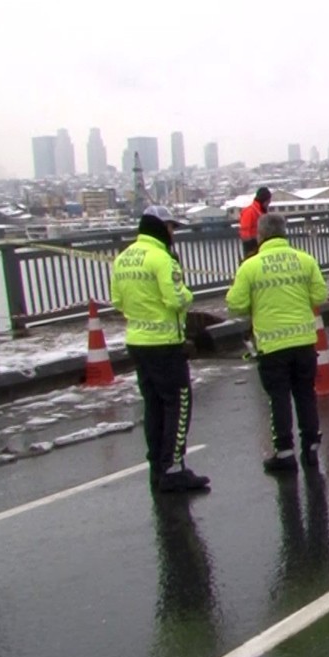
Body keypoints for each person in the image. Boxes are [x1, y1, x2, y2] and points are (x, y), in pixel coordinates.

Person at [110, 204, 209, 493]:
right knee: (178, 405)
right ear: (160, 227)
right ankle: (174, 467)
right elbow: (177, 300)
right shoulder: (162, 259)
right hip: (165, 344)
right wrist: (188, 293)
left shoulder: (124, 258)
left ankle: (157, 465)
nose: (173, 232)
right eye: (171, 227)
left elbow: (117, 301)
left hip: (137, 342)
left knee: (153, 405)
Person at [225, 213, 329, 473]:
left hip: (271, 345)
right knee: (305, 393)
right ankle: (311, 445)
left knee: (279, 397)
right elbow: (320, 295)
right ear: (285, 233)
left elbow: (235, 304)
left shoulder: (250, 266)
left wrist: (256, 302)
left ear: (260, 235)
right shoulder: (305, 260)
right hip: (304, 341)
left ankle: (284, 452)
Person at [238, 187, 273, 258]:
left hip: (262, 245)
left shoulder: (261, 211)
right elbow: (246, 234)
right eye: (268, 201)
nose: (268, 203)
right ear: (263, 200)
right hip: (252, 248)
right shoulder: (250, 212)